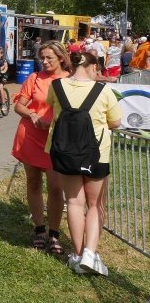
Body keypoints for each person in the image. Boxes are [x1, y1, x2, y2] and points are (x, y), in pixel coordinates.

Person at [47, 52, 122, 276]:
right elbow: (115, 122)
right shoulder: (104, 90)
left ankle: (78, 256)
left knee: (74, 202)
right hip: (96, 155)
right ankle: (91, 252)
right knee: (95, 204)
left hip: (64, 153)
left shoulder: (57, 85)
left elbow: (51, 105)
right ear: (93, 66)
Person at [11, 40, 71, 256]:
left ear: (61, 58)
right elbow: (19, 105)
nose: (44, 61)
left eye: (49, 58)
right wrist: (33, 114)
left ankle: (54, 233)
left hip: (56, 140)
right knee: (33, 181)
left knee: (56, 187)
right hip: (30, 135)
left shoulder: (70, 80)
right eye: (42, 58)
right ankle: (39, 229)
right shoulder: (35, 78)